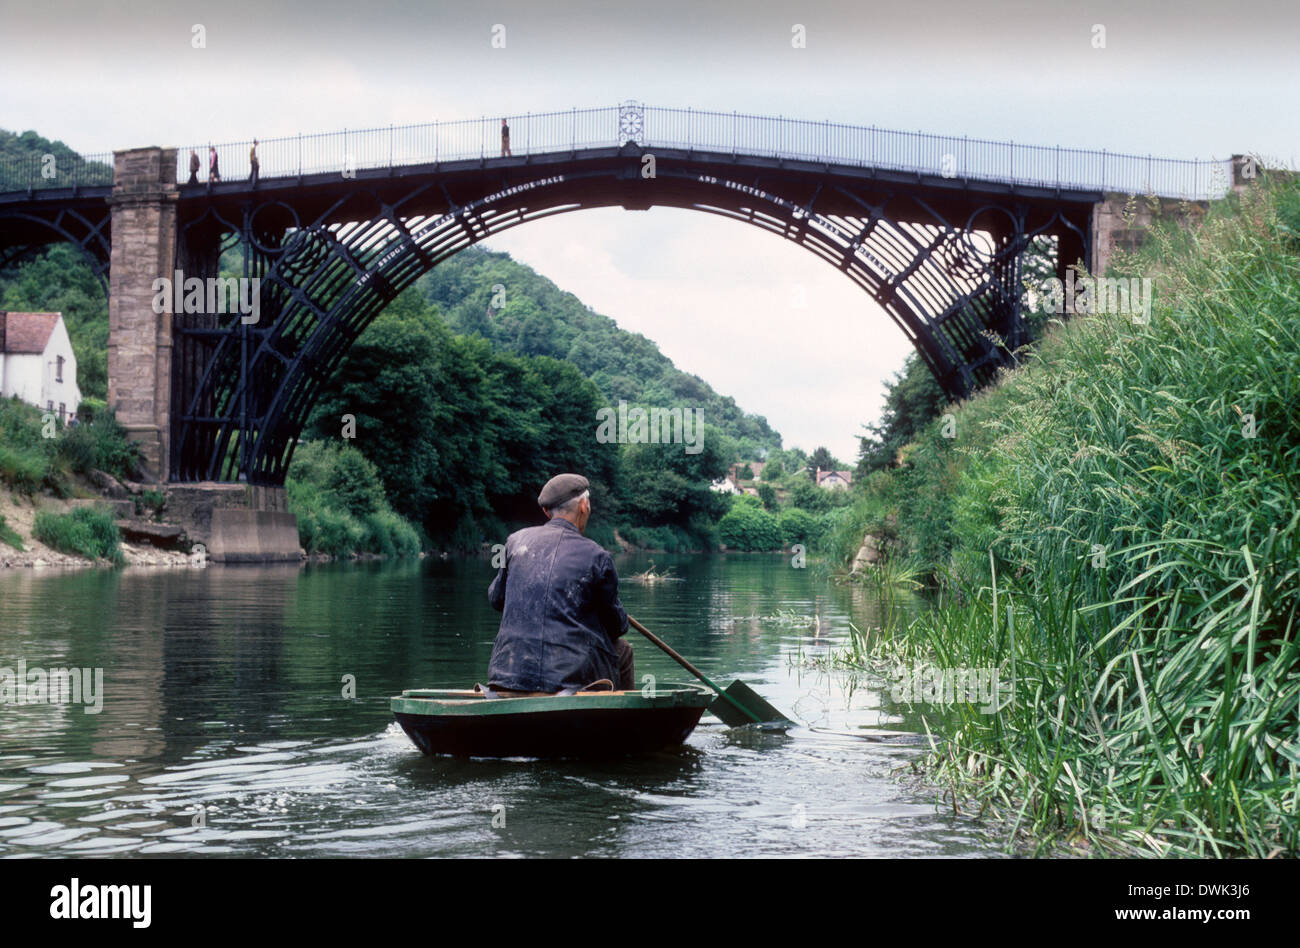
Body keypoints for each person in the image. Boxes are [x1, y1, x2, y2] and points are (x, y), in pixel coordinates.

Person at [485, 473, 633, 694]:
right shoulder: (597, 556)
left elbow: (496, 600)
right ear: (584, 506)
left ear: (546, 511)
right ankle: (627, 719)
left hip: (507, 672)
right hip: (569, 678)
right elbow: (618, 627)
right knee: (623, 650)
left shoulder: (514, 542)